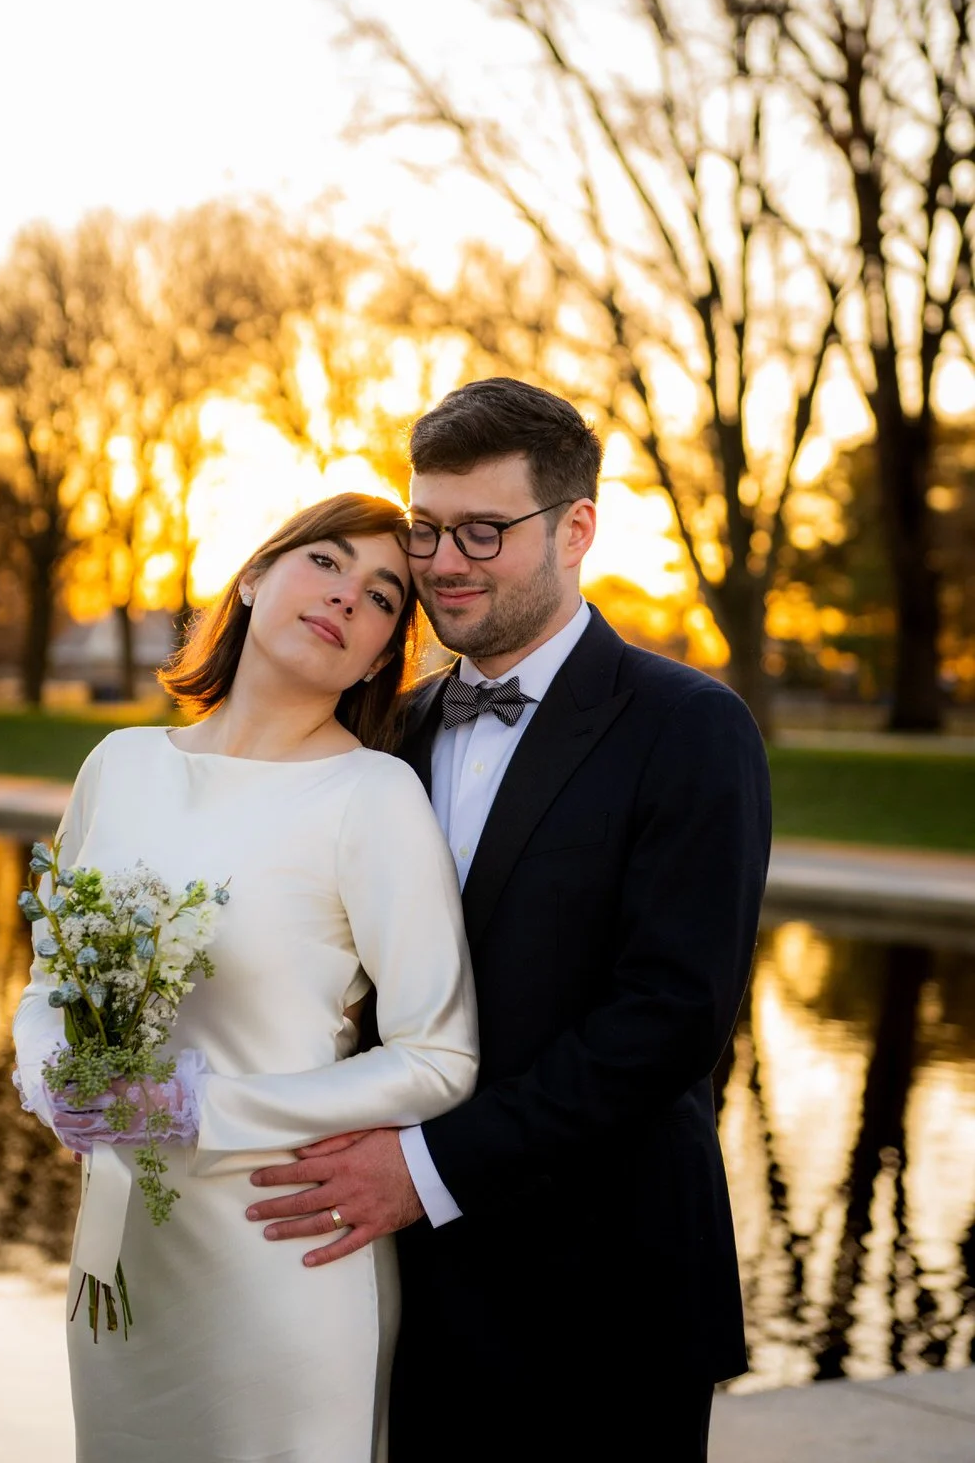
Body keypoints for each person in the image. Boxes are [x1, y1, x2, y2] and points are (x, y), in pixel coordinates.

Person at [245, 380, 773, 1462]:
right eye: (427, 528)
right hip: (410, 1288)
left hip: (604, 1293)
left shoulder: (689, 728)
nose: (444, 561)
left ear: (575, 529)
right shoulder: (386, 732)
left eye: (483, 530)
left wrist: (425, 1168)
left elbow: (668, 1019)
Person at [12, 492, 479, 1463]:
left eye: (382, 596)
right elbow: (48, 984)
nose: (347, 596)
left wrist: (198, 1106)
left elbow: (439, 1060)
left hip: (280, 1253)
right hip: (119, 1258)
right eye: (326, 561)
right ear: (256, 576)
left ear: (379, 657)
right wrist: (56, 1084)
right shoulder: (119, 764)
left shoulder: (372, 795)